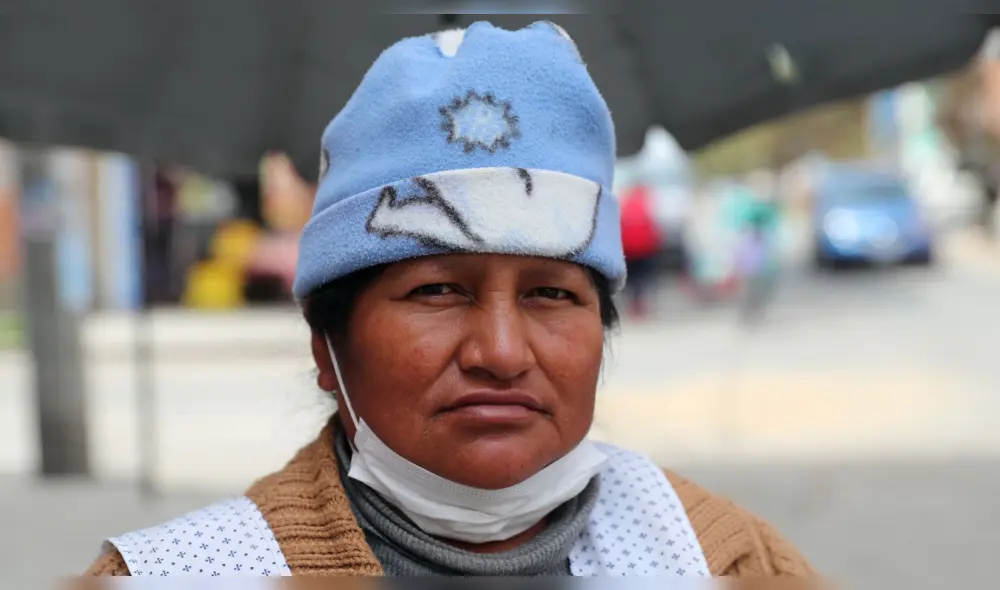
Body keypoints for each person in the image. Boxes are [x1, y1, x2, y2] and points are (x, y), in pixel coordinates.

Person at [85, 22, 814, 578]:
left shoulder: (732, 564)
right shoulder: (179, 577)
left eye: (552, 293)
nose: (500, 353)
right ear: (326, 349)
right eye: (437, 290)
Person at [618, 183, 662, 318]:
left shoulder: (624, 206)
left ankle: (633, 304)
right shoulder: (646, 206)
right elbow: (654, 229)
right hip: (645, 250)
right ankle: (641, 304)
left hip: (628, 250)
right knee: (643, 279)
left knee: (630, 280)